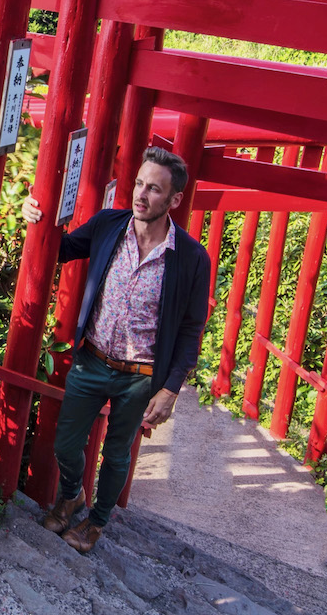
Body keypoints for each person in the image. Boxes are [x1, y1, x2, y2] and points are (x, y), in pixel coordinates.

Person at [22, 146, 211, 553]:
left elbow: (192, 329)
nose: (141, 195)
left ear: (175, 199)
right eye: (139, 184)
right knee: (66, 444)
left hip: (141, 377)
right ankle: (72, 493)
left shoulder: (192, 258)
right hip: (92, 359)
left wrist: (171, 389)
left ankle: (97, 521)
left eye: (154, 190)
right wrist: (34, 219)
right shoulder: (109, 225)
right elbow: (62, 250)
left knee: (116, 454)